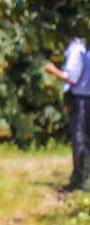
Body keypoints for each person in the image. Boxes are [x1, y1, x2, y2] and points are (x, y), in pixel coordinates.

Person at [45, 34, 90, 192]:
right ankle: (81, 177)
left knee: (80, 140)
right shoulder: (85, 50)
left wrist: (52, 69)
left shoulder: (76, 50)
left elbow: (70, 78)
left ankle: (79, 182)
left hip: (81, 101)